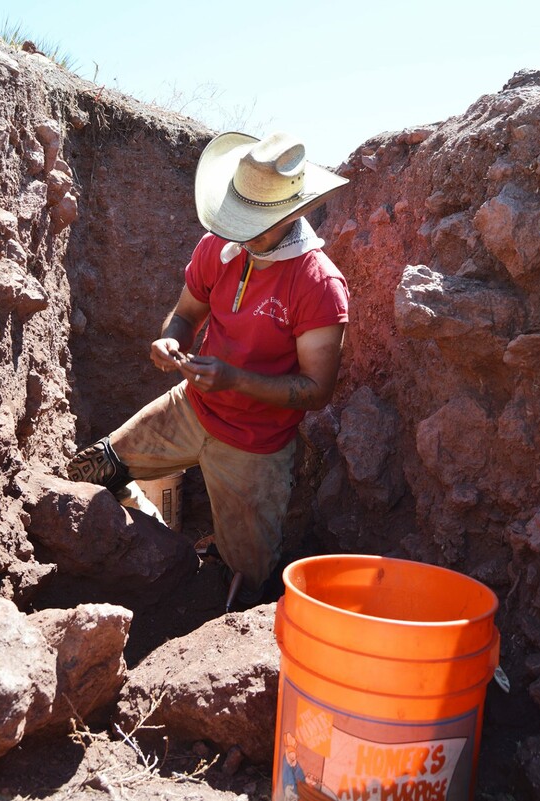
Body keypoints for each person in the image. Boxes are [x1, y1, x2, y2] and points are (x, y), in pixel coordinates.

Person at [67, 131, 349, 605]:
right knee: (91, 472)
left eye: (256, 224)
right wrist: (170, 340)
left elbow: (317, 390)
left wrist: (235, 379)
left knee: (246, 590)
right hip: (192, 407)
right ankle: (161, 542)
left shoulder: (318, 283)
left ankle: (218, 561)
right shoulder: (218, 247)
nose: (240, 233)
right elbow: (185, 315)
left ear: (292, 213)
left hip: (256, 446)